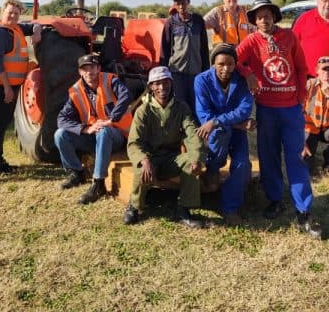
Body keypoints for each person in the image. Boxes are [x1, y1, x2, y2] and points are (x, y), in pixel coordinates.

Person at [236, 0, 322, 238]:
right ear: (254, 21)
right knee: (269, 156)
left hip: (291, 109)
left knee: (296, 157)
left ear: (275, 16)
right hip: (266, 108)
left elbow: (302, 68)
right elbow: (232, 60)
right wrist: (248, 73)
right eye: (259, 16)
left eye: (268, 15)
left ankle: (303, 211)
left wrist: (301, 98)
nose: (264, 20)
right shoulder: (251, 41)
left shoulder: (289, 37)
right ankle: (275, 199)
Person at [123, 66, 204, 228]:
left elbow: (192, 134)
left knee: (190, 162)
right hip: (150, 158)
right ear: (151, 86)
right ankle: (134, 206)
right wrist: (144, 160)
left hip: (170, 159)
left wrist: (196, 157)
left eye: (165, 83)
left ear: (171, 84)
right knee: (142, 168)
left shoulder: (181, 108)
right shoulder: (143, 111)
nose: (162, 88)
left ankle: (183, 209)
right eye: (157, 84)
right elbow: (134, 142)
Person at [54, 54, 133, 204]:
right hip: (94, 135)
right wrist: (85, 129)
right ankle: (77, 173)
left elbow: (126, 95)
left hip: (117, 135)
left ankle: (98, 183)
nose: (89, 71)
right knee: (60, 135)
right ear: (80, 72)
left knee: (103, 131)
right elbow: (61, 119)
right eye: (85, 68)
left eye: (92, 67)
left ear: (99, 68)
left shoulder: (110, 80)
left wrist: (111, 120)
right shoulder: (76, 90)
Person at [194, 43, 254, 226]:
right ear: (213, 64)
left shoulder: (242, 80)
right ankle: (213, 169)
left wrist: (219, 121)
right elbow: (204, 114)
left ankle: (230, 208)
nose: (226, 69)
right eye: (221, 64)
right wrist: (234, 125)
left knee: (242, 163)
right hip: (215, 133)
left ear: (236, 64)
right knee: (220, 131)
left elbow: (245, 109)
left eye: (230, 64)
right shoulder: (201, 80)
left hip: (229, 130)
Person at [0, 0, 41, 176]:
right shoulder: (0, 33)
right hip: (0, 86)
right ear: (2, 12)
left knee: (3, 123)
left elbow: (31, 26)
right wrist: (7, 88)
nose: (13, 16)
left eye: (16, 13)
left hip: (12, 85)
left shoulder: (15, 28)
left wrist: (36, 31)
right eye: (10, 13)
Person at [159, 0, 209, 114]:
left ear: (188, 3)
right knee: (179, 105)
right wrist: (163, 72)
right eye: (178, 3)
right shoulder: (170, 23)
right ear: (174, 5)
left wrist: (205, 71)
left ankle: (195, 131)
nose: (181, 6)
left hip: (196, 73)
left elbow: (204, 48)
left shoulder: (198, 21)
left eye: (183, 3)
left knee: (196, 104)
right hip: (177, 73)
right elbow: (164, 50)